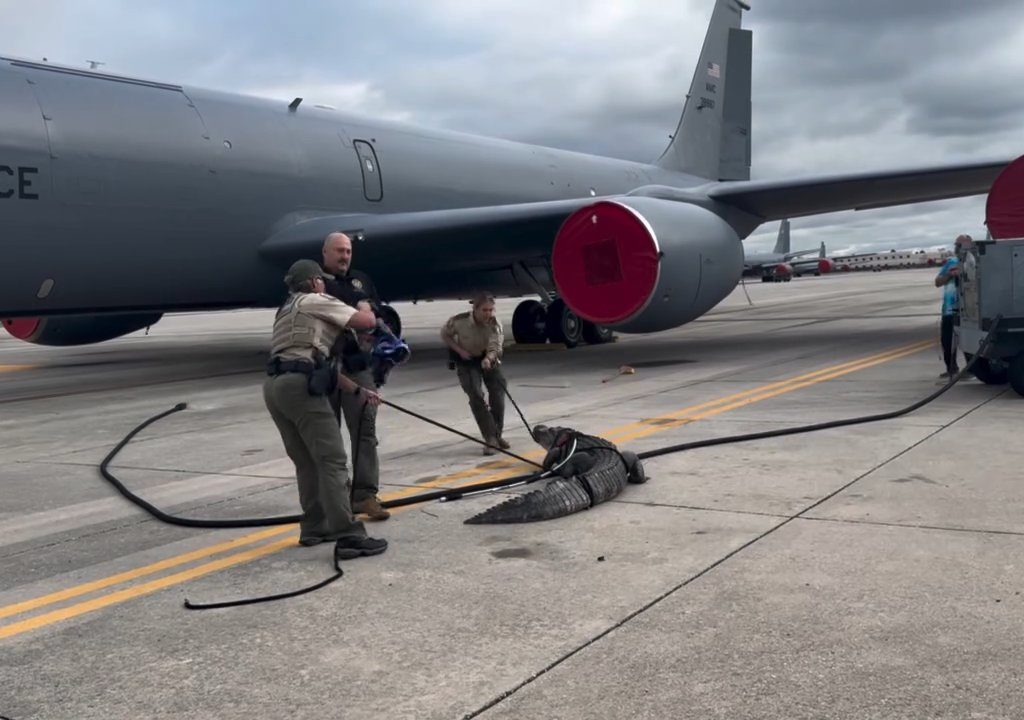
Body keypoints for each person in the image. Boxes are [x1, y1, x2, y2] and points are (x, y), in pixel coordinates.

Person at [263, 258, 387, 559]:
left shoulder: (288, 310)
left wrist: (358, 390)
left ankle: (314, 527)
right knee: (332, 460)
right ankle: (348, 534)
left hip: (275, 387)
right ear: (315, 282)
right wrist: (367, 307)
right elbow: (365, 323)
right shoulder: (315, 300)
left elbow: (312, 362)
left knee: (306, 462)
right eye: (321, 280)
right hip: (300, 387)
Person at [320, 231, 390, 521]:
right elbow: (338, 306)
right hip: (323, 367)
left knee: (365, 431)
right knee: (327, 436)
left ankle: (364, 495)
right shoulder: (315, 281)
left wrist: (367, 306)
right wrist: (359, 305)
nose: (344, 256)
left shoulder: (359, 279)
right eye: (338, 251)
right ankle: (335, 500)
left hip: (356, 364)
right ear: (325, 253)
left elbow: (375, 306)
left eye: (348, 251)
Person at [441, 292, 508, 456]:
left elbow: (496, 346)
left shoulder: (495, 323)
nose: (488, 314)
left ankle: (497, 435)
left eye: (491, 310)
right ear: (475, 309)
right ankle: (490, 438)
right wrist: (459, 350)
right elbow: (445, 334)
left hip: (488, 358)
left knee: (498, 395)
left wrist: (488, 358)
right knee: (476, 396)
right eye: (485, 310)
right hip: (467, 360)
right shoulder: (459, 321)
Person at [934, 234, 972, 378]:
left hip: (967, 310)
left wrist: (962, 274)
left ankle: (972, 368)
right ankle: (951, 368)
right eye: (956, 244)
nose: (956, 248)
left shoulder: (973, 261)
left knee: (967, 341)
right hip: (949, 310)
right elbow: (937, 282)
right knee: (947, 341)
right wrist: (949, 275)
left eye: (959, 245)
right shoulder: (951, 262)